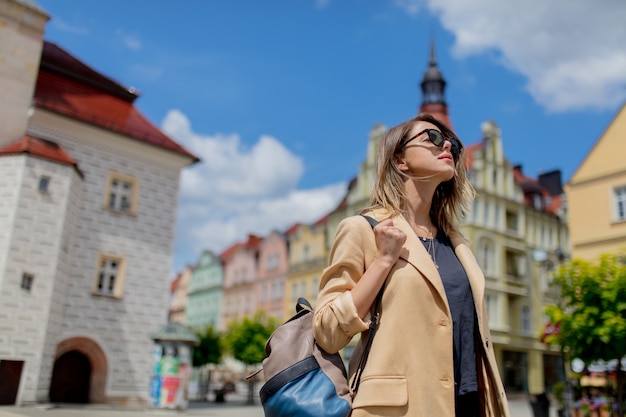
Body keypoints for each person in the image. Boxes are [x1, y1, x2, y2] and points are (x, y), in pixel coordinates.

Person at [313, 113, 510, 417]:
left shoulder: (457, 244)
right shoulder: (362, 229)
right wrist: (382, 262)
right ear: (400, 160)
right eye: (431, 137)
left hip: (469, 403)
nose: (445, 144)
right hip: (399, 409)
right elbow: (327, 333)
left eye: (452, 144)